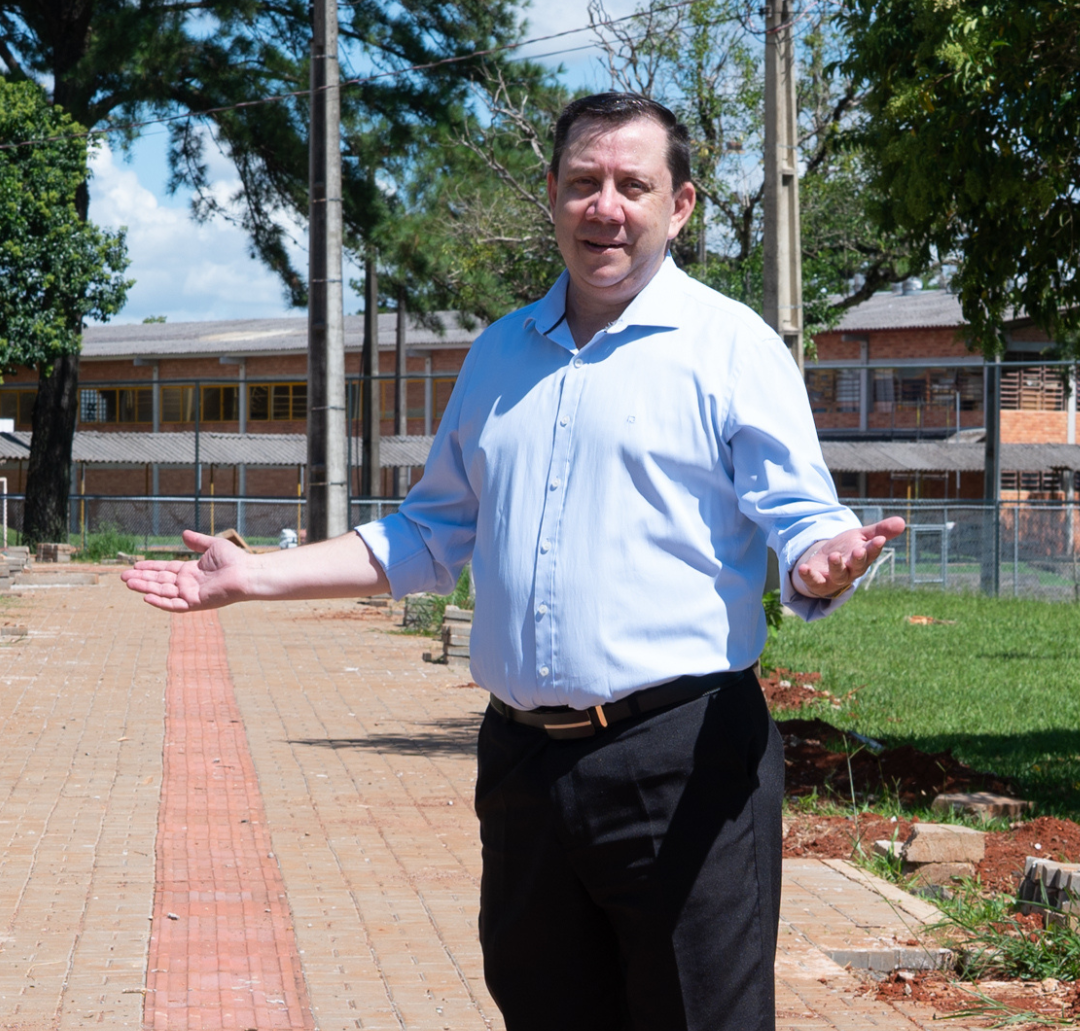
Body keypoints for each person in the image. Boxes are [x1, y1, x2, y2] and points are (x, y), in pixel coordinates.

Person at [124, 93, 904, 1031]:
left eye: (632, 185)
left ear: (680, 206)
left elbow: (803, 514)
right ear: (552, 194)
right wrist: (254, 577)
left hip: (681, 758)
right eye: (582, 183)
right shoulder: (498, 355)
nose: (604, 207)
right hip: (524, 768)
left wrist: (822, 559)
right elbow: (428, 535)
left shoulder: (732, 347)